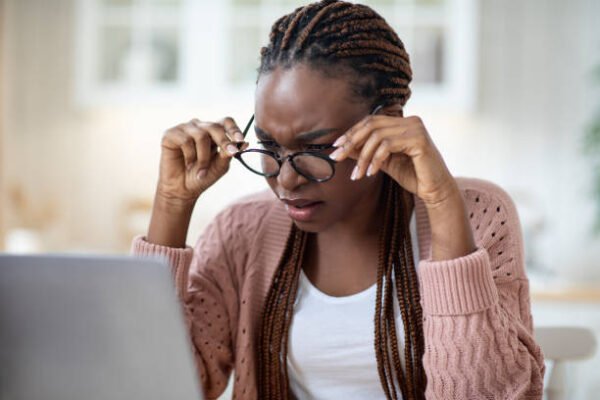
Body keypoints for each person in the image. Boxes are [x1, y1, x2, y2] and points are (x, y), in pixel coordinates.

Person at [132, 1, 545, 399]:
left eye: (315, 149)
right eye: (269, 147)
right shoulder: (242, 230)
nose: (287, 178)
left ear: (389, 123)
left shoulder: (476, 213)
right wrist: (172, 203)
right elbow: (152, 387)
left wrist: (442, 204)